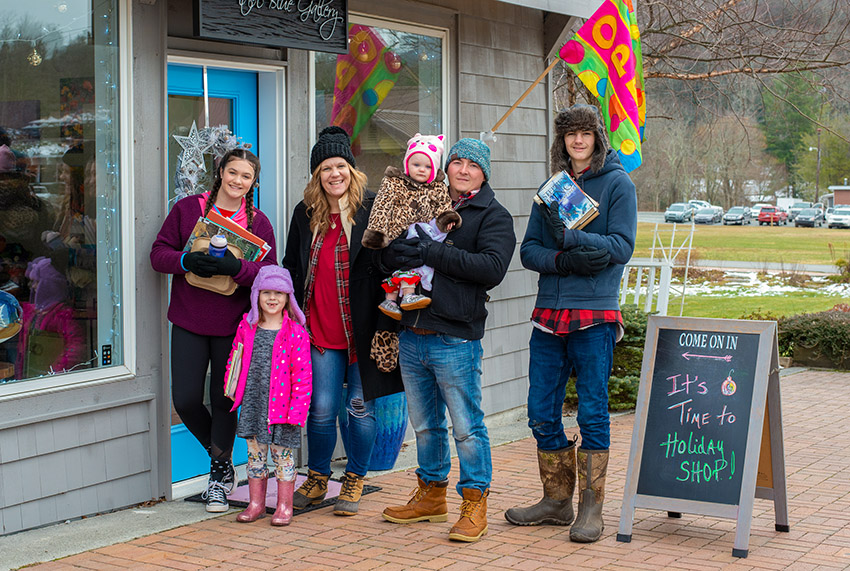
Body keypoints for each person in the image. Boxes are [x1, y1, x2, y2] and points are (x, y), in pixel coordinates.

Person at [505, 104, 637, 543]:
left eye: (585, 133)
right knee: (541, 412)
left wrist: (575, 238)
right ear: (561, 141)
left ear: (597, 137)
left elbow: (620, 247)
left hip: (595, 314)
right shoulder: (552, 189)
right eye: (569, 134)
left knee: (593, 411)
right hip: (548, 315)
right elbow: (530, 252)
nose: (578, 141)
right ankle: (556, 501)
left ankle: (591, 510)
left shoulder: (618, 184)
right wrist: (566, 258)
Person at [380, 138, 515, 543]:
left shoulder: (492, 215)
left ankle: (474, 503)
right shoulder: (423, 202)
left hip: (455, 336)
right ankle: (431, 494)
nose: (462, 169)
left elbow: (491, 268)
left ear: (483, 172)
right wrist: (400, 252)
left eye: (471, 165)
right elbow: (389, 255)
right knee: (424, 426)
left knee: (467, 428)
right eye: (455, 162)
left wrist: (430, 252)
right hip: (412, 331)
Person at [282, 126, 403, 516]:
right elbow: (291, 265)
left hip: (363, 330)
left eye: (340, 166)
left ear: (351, 169)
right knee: (320, 408)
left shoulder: (371, 208)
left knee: (359, 409)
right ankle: (317, 478)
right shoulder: (305, 214)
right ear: (316, 175)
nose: (334, 174)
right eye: (325, 168)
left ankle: (354, 477)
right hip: (319, 330)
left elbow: (392, 261)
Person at [150, 148, 277, 512]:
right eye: (232, 172)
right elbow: (158, 254)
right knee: (186, 399)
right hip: (189, 319)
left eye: (246, 176)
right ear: (220, 171)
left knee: (223, 400)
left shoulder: (259, 224)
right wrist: (186, 260)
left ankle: (217, 479)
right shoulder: (189, 209)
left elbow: (269, 277)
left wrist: (237, 270)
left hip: (233, 326)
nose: (238, 181)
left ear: (253, 182)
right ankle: (222, 462)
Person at [225, 265, 312, 526]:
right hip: (253, 404)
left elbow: (303, 375)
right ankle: (256, 504)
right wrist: (231, 385)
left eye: (279, 293)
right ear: (256, 295)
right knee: (255, 455)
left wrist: (297, 410)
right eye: (266, 292)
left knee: (283, 457)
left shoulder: (295, 333)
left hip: (283, 410)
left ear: (288, 298)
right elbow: (235, 358)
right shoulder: (247, 326)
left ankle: (284, 506)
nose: (272, 298)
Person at [360, 133, 459, 320]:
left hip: (423, 234)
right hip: (396, 232)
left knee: (414, 265)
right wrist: (377, 232)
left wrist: (446, 218)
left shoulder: (437, 187)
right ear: (407, 164)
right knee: (399, 261)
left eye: (428, 166)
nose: (422, 170)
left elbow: (443, 205)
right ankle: (393, 299)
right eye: (416, 164)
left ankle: (404, 296)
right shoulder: (394, 183)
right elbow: (382, 206)